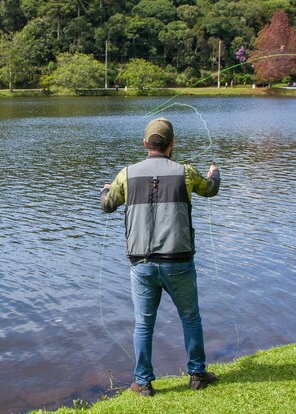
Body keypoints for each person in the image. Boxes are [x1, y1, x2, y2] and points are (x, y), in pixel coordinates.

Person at [100, 118, 220, 397]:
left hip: (141, 264)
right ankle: (198, 375)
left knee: (143, 323)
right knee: (190, 318)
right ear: (172, 144)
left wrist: (107, 189)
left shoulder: (126, 174)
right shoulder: (186, 172)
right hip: (179, 262)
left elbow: (107, 205)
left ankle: (143, 383)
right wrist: (214, 173)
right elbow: (211, 189)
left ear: (145, 144)